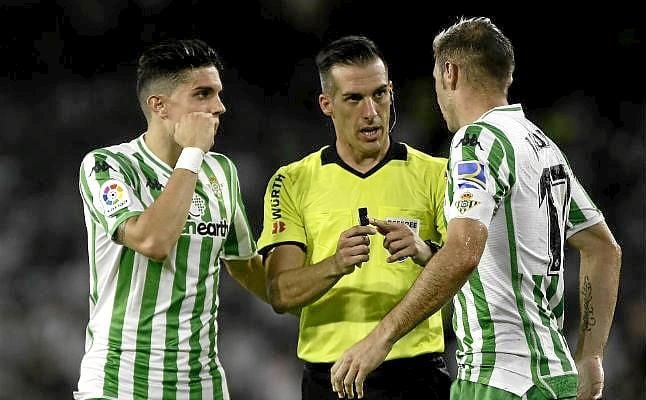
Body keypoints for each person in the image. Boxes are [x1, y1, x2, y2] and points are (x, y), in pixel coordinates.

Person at [330, 17, 622, 400]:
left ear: (450, 73)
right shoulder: (541, 145)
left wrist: (380, 338)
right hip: (554, 377)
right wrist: (591, 355)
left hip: (500, 378)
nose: (437, 95)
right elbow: (603, 248)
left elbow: (464, 252)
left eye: (436, 79)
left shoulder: (477, 140)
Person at [257, 35, 451, 399]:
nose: (371, 112)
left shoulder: (437, 174)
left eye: (380, 94)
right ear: (326, 104)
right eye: (354, 98)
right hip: (330, 380)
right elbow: (280, 293)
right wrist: (335, 264)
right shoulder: (292, 181)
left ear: (391, 92)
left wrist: (426, 251)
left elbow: (470, 269)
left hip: (416, 376)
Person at [75, 38, 267, 400]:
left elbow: (249, 268)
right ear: (159, 105)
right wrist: (192, 153)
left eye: (218, 94)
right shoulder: (107, 165)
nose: (219, 106)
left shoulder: (222, 171)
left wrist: (333, 270)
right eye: (203, 94)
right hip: (120, 383)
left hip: (203, 385)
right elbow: (153, 241)